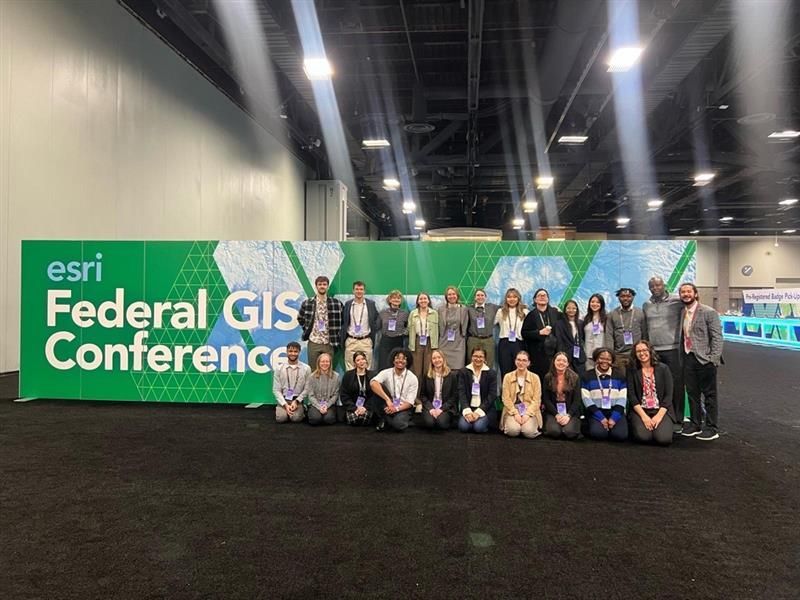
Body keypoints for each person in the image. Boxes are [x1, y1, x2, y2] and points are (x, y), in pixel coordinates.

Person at [678, 282, 723, 441]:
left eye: (689, 291)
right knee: (692, 393)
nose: (686, 294)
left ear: (695, 294)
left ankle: (711, 427)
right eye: (683, 292)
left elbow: (717, 337)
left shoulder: (708, 312)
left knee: (709, 395)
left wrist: (714, 359)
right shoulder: (681, 313)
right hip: (688, 358)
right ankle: (695, 423)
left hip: (705, 360)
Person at [642, 276, 685, 432]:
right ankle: (665, 417)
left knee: (676, 385)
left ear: (664, 285)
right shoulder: (646, 305)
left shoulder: (677, 301)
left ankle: (678, 419)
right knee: (659, 386)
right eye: (652, 286)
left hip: (673, 350)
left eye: (658, 285)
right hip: (654, 351)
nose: (655, 288)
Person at [628, 341, 675, 445]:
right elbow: (632, 396)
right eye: (638, 351)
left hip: (661, 410)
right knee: (643, 437)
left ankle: (658, 428)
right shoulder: (632, 370)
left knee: (664, 439)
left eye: (644, 350)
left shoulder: (663, 368)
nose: (642, 353)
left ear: (650, 351)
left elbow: (669, 395)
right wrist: (644, 417)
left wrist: (658, 416)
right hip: (641, 410)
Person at [581, 348, 628, 441]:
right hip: (596, 411)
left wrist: (614, 418)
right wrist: (601, 418)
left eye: (608, 359)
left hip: (615, 411)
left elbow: (622, 399)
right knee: (598, 434)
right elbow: (586, 399)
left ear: (612, 361)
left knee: (620, 436)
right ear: (596, 359)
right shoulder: (586, 376)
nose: (604, 361)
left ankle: (611, 427)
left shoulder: (620, 376)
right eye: (601, 358)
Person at [296, 275, 344, 369]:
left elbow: (343, 320)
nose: (322, 286)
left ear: (327, 286)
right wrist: (308, 329)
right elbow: (300, 318)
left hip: (329, 342)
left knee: (328, 370)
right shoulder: (307, 303)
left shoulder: (336, 303)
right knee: (313, 371)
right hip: (314, 341)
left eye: (324, 284)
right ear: (316, 286)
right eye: (320, 284)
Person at [370, 348, 419, 432]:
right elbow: (373, 383)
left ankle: (387, 419)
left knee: (398, 425)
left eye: (404, 358)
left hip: (403, 407)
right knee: (378, 387)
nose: (400, 360)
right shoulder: (386, 372)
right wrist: (388, 400)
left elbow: (410, 403)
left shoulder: (413, 378)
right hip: (388, 404)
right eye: (397, 358)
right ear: (393, 360)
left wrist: (396, 409)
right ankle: (388, 418)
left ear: (407, 362)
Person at [500, 351, 542, 439]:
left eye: (524, 360)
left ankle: (529, 425)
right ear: (515, 361)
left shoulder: (535, 378)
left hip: (530, 410)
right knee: (513, 431)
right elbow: (505, 399)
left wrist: (527, 414)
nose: (521, 363)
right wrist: (515, 414)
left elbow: (536, 400)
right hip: (512, 409)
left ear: (528, 363)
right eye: (518, 360)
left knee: (528, 432)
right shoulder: (507, 377)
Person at [521, 288, 561, 380]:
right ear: (535, 300)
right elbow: (524, 333)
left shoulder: (555, 313)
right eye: (539, 295)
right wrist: (539, 333)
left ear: (548, 299)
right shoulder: (531, 315)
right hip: (537, 354)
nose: (542, 297)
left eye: (544, 295)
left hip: (553, 354)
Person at [542, 352, 582, 440]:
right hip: (553, 412)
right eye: (558, 360)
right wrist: (556, 415)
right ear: (554, 362)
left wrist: (568, 415)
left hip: (570, 412)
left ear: (567, 364)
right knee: (554, 432)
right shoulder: (547, 377)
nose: (561, 363)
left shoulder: (575, 377)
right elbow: (546, 399)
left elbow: (577, 400)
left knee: (569, 432)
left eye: (564, 361)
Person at [340, 280, 380, 370]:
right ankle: (351, 384)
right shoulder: (348, 304)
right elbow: (344, 321)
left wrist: (374, 328)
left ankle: (365, 384)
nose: (359, 291)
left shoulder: (371, 304)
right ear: (353, 291)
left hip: (365, 340)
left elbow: (377, 318)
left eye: (361, 289)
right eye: (357, 289)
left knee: (367, 368)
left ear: (364, 291)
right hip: (351, 340)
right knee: (350, 369)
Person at [457, 347, 497, 433]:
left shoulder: (491, 373)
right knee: (463, 427)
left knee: (478, 428)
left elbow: (492, 395)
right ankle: (473, 421)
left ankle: (481, 423)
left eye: (481, 357)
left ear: (485, 358)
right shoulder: (463, 372)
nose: (478, 359)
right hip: (469, 408)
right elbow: (461, 393)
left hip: (485, 408)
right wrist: (467, 411)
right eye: (475, 356)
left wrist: (478, 413)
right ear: (471, 357)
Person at [606, 287, 647, 373]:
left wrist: (644, 351)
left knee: (637, 381)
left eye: (628, 296)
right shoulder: (612, 314)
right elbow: (609, 335)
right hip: (619, 355)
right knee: (621, 381)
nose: (625, 298)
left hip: (637, 355)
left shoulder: (640, 313)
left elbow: (644, 333)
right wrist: (610, 354)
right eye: (622, 296)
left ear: (633, 297)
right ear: (618, 298)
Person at [271, 341, 310, 423]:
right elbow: (276, 389)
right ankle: (283, 410)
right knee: (281, 419)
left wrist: (297, 401)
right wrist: (284, 404)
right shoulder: (279, 368)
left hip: (297, 400)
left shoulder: (306, 368)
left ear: (299, 352)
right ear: (287, 352)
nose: (293, 353)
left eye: (295, 351)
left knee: (296, 419)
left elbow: (307, 388)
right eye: (290, 351)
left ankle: (302, 408)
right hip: (284, 399)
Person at [408, 292, 439, 393]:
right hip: (416, 343)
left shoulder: (434, 313)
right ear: (417, 301)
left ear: (429, 300)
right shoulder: (413, 313)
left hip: (430, 343)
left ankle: (427, 395)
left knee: (428, 370)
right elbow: (409, 328)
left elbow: (438, 329)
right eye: (420, 299)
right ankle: (416, 397)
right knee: (417, 371)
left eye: (425, 298)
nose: (423, 301)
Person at [420, 349, 458, 430]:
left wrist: (441, 409)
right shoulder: (427, 375)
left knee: (441, 423)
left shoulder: (452, 375)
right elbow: (422, 395)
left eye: (439, 357)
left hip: (446, 407)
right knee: (429, 423)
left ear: (443, 359)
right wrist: (431, 409)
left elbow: (454, 396)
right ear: (431, 361)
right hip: (431, 406)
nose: (437, 360)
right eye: (434, 358)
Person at [495, 288, 528, 378]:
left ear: (518, 299)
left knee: (519, 370)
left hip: (519, 343)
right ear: (506, 299)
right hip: (504, 343)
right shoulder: (500, 312)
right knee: (505, 371)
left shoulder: (525, 312)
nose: (512, 299)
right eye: (509, 297)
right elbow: (491, 322)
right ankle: (506, 391)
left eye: (514, 297)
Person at [340, 351, 376, 426]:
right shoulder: (348, 375)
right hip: (353, 407)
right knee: (354, 420)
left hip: (367, 407)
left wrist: (365, 408)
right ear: (354, 363)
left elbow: (374, 395)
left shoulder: (373, 375)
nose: (361, 362)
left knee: (364, 420)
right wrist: (354, 408)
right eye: (358, 360)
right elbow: (344, 395)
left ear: (366, 360)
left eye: (363, 359)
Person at [438, 286, 469, 370]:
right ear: (446, 297)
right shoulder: (440, 310)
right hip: (444, 343)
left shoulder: (464, 309)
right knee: (443, 368)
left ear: (457, 295)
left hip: (458, 343)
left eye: (453, 294)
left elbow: (465, 326)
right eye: (449, 294)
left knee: (458, 369)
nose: (451, 296)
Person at [376, 290, 409, 370]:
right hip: (385, 342)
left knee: (398, 366)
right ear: (389, 300)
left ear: (401, 301)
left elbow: (408, 328)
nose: (396, 300)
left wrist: (403, 332)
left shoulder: (405, 314)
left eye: (398, 298)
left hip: (398, 341)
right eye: (394, 298)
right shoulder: (383, 313)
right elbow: (377, 326)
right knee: (384, 366)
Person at [466, 288, 499, 368]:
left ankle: (486, 380)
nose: (480, 297)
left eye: (482, 295)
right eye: (478, 295)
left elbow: (507, 307)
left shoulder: (492, 308)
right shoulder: (468, 309)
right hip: (473, 339)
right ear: (474, 297)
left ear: (485, 297)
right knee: (471, 363)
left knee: (488, 363)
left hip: (488, 340)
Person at [306, 353, 340, 426]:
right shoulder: (312, 377)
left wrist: (327, 406)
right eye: (322, 361)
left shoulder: (336, 376)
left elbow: (336, 394)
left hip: (329, 404)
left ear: (330, 363)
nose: (325, 364)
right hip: (315, 404)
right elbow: (310, 395)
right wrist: (319, 407)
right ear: (318, 363)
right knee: (315, 419)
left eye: (327, 361)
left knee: (329, 419)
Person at [555, 299, 586, 374]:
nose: (571, 310)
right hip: (566, 356)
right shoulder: (559, 324)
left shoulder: (581, 323)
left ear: (577, 310)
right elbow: (559, 341)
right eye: (568, 308)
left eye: (574, 308)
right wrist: (561, 356)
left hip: (579, 357)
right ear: (565, 310)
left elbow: (583, 339)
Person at [584, 293, 611, 370]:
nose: (594, 304)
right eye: (592, 302)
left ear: (601, 304)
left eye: (598, 302)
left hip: (603, 356)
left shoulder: (606, 319)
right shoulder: (585, 319)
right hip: (588, 356)